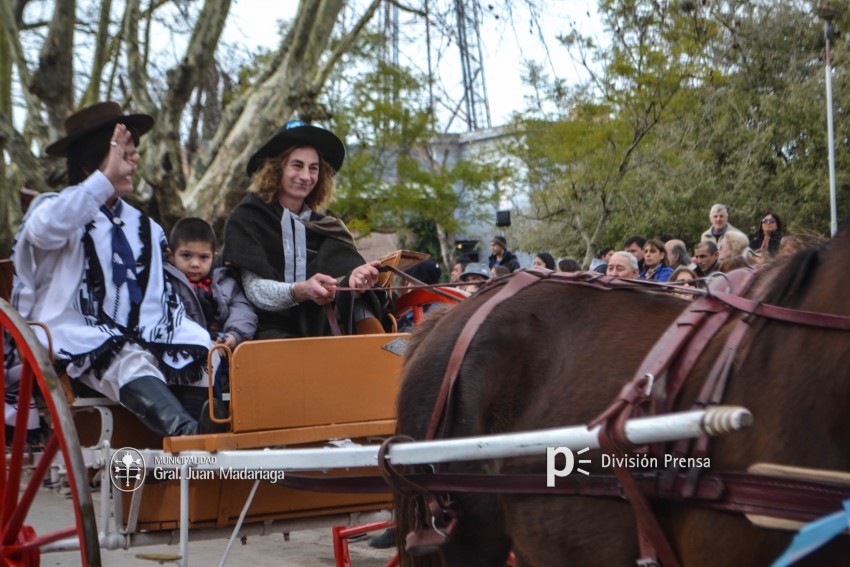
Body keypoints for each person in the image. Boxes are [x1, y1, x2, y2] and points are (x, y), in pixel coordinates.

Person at [11, 102, 219, 438]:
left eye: (135, 153)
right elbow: (44, 231)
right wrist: (103, 180)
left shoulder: (145, 226)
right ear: (97, 160)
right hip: (73, 332)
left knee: (199, 349)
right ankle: (186, 437)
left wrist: (172, 329)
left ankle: (207, 440)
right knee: (124, 356)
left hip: (140, 329)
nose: (135, 161)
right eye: (126, 154)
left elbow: (156, 296)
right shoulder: (54, 208)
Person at [222, 120, 387, 339]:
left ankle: (378, 349)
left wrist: (352, 280)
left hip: (320, 329)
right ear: (276, 168)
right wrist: (299, 291)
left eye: (314, 168)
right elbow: (255, 291)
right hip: (264, 331)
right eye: (297, 165)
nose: (305, 176)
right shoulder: (247, 218)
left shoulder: (327, 227)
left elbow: (339, 282)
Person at [167, 217, 258, 398]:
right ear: (170, 255)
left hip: (221, 347)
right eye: (186, 256)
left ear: (213, 257)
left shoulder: (225, 282)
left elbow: (242, 310)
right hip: (182, 350)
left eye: (203, 257)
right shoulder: (166, 282)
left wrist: (233, 335)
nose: (195, 264)